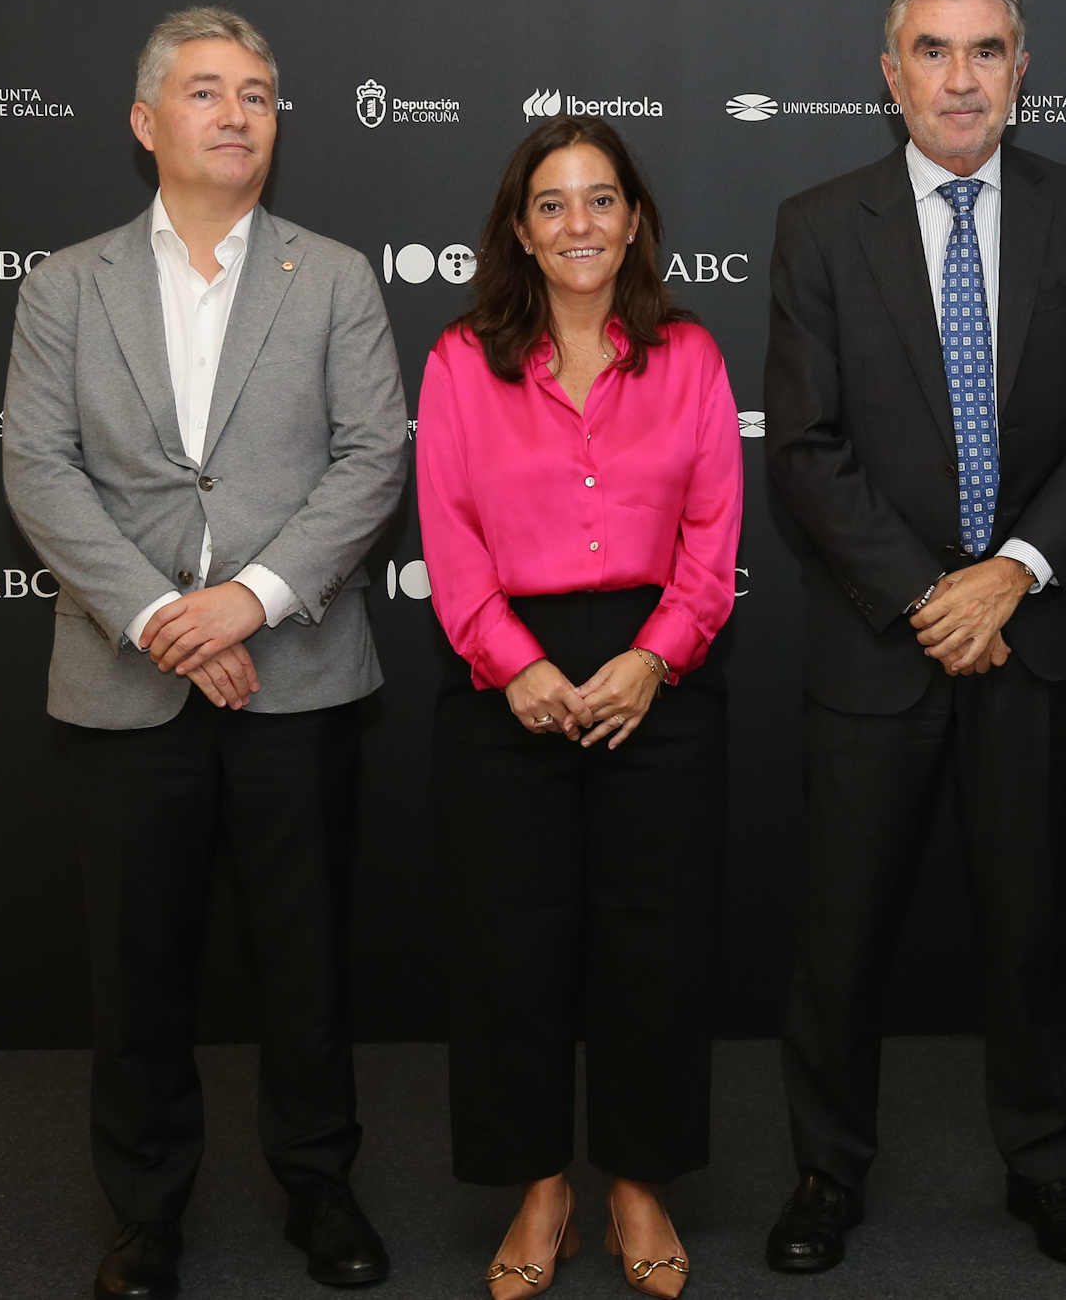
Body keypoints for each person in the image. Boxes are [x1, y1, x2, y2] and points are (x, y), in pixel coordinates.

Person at [3, 7, 408, 1298]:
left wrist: (250, 600)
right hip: (124, 679)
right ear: (145, 123)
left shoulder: (332, 276)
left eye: (258, 95)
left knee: (305, 959)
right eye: (205, 91)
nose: (236, 114)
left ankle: (319, 1188)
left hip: (297, 672)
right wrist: (163, 621)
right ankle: (145, 1211)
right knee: (135, 971)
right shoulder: (66, 285)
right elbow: (39, 468)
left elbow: (373, 457)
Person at [761, 0, 1066, 1273]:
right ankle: (825, 1173)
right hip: (881, 638)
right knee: (841, 936)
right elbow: (803, 445)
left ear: (1021, 69)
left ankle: (1046, 1166)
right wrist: (934, 595)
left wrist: (1015, 572)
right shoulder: (821, 223)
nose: (961, 78)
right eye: (933, 51)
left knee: (1031, 930)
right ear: (892, 75)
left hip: (1030, 637)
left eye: (986, 50)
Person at [416, 116, 743, 1300]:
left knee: (653, 941)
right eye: (551, 204)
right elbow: (448, 534)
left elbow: (713, 533)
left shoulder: (689, 356)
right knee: (512, 947)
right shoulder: (461, 359)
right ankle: (539, 1184)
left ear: (634, 217)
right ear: (519, 228)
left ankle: (638, 1183)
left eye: (599, 199)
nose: (578, 224)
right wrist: (514, 663)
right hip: (508, 675)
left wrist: (656, 655)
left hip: (657, 670)